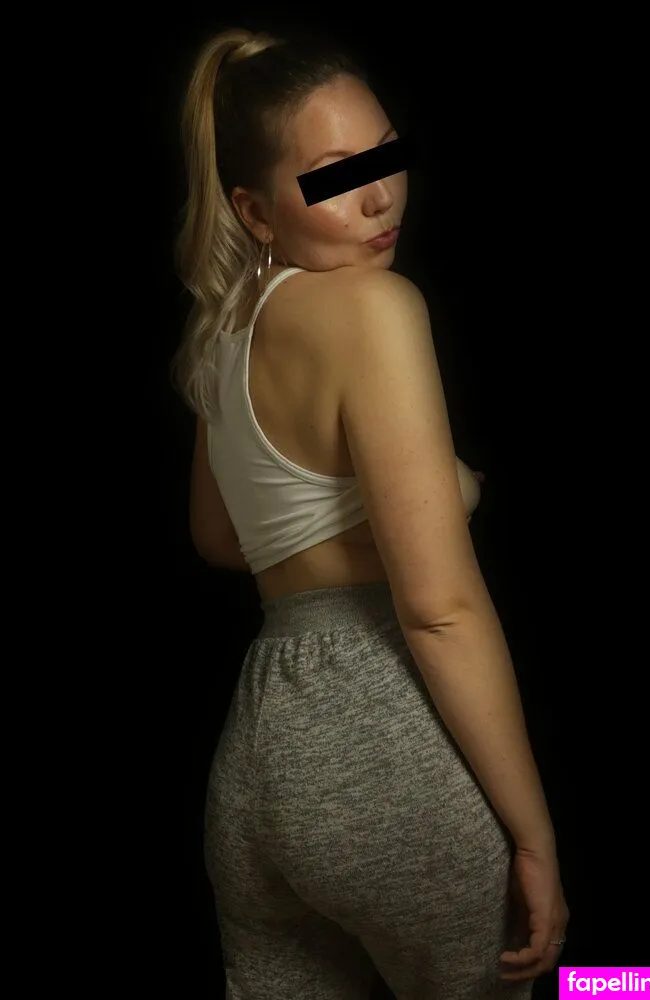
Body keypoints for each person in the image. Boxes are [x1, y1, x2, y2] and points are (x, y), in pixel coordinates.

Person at [171, 25, 569, 1000]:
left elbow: (221, 539)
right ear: (254, 210)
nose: (381, 195)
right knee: (598, 984)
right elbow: (439, 611)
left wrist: (384, 501)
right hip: (382, 745)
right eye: (337, 176)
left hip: (258, 765)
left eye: (387, 157)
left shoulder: (223, 331)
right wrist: (535, 838)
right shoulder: (373, 309)